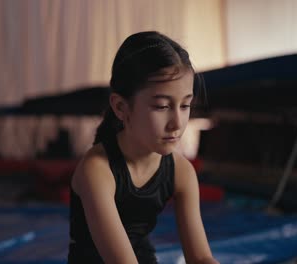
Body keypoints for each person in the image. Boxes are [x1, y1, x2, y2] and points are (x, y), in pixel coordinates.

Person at [68, 31, 219, 264]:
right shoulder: (97, 170)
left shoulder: (182, 172)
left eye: (186, 105)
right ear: (121, 107)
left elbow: (200, 257)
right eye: (161, 106)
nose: (177, 123)